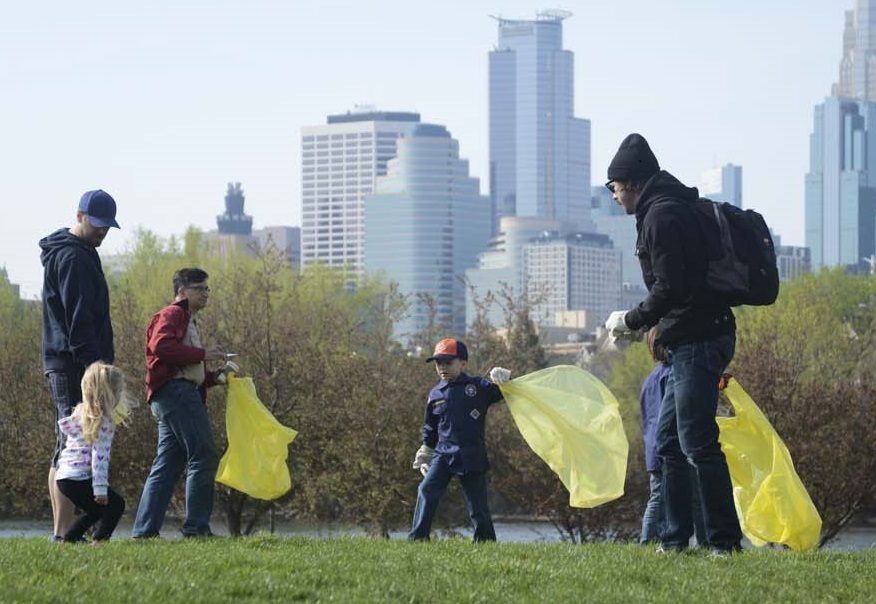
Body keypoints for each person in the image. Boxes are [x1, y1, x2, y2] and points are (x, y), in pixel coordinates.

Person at [603, 133, 742, 556]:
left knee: (697, 441)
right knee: (668, 445)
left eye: (614, 188)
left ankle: (723, 544)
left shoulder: (662, 215)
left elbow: (672, 286)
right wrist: (659, 327)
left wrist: (633, 319)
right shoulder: (667, 208)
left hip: (700, 340)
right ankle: (675, 540)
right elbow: (680, 286)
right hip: (691, 338)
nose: (613, 197)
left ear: (631, 182)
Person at [132, 268, 238, 539]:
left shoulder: (188, 319)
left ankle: (144, 532)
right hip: (176, 394)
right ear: (182, 291)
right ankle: (196, 528)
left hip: (173, 394)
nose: (206, 293)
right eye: (199, 288)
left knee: (167, 464)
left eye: (207, 288)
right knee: (204, 454)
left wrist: (217, 377)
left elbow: (187, 369)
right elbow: (161, 347)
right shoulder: (173, 314)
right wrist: (203, 353)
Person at [40, 189, 120, 541]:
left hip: (79, 361)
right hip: (73, 363)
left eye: (108, 226)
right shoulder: (71, 258)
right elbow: (78, 320)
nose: (102, 231)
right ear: (79, 216)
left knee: (68, 445)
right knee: (68, 446)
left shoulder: (84, 252)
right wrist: (94, 369)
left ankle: (64, 532)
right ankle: (62, 535)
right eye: (97, 224)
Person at [408, 338, 511, 542]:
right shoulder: (435, 393)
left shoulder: (477, 386)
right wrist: (426, 451)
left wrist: (506, 380)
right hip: (443, 455)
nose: (442, 367)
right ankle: (418, 538)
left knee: (477, 504)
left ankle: (485, 541)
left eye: (448, 362)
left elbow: (503, 392)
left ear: (462, 363)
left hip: (471, 455)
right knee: (426, 489)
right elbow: (430, 426)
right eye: (439, 363)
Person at [639, 327, 706, 546]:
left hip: (653, 448)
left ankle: (648, 539)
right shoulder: (674, 376)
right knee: (694, 497)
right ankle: (705, 540)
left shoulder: (650, 380)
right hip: (673, 446)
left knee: (657, 496)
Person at [54, 362, 135, 544]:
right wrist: (100, 489)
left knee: (96, 511)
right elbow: (100, 458)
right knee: (115, 505)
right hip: (79, 477)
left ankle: (70, 539)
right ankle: (98, 541)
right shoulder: (103, 423)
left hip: (64, 476)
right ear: (110, 394)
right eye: (118, 392)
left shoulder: (81, 412)